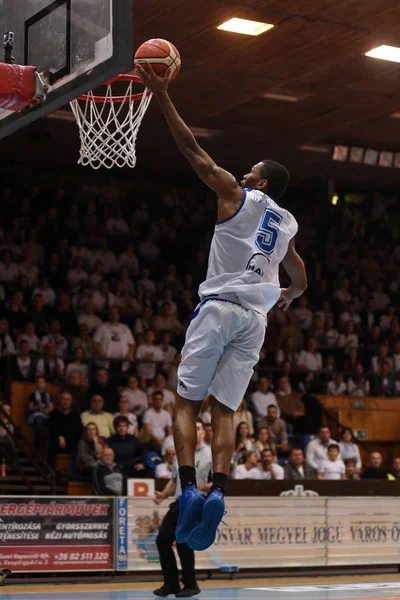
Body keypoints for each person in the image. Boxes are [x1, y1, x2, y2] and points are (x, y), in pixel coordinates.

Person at [137, 62, 307, 552]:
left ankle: (191, 487)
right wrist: (289, 296)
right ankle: (222, 492)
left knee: (187, 403)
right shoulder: (289, 223)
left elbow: (192, 151)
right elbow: (300, 275)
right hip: (255, 321)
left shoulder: (237, 194)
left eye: (253, 169)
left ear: (262, 183)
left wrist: (163, 94)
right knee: (226, 410)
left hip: (219, 307)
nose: (246, 169)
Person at [153, 420, 211, 597]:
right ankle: (171, 584)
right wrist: (163, 495)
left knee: (184, 543)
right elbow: (174, 480)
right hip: (179, 502)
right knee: (162, 540)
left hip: (197, 503)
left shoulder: (210, 454)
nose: (195, 431)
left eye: (199, 428)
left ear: (204, 433)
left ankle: (191, 584)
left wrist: (203, 486)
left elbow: (219, 482)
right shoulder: (181, 453)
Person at [47, 392, 83, 469]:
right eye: (63, 399)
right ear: (59, 400)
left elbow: (79, 430)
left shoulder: (76, 414)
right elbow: (51, 428)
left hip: (72, 441)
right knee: (52, 445)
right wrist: (59, 437)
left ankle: (73, 474)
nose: (65, 401)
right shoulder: (53, 414)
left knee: (79, 446)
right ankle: (51, 472)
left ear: (71, 401)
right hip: (58, 440)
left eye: (68, 399)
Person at [27, 376, 53, 448]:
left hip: (46, 414)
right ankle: (37, 446)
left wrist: (46, 410)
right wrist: (38, 407)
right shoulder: (33, 395)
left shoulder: (49, 395)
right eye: (38, 382)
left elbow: (51, 407)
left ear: (45, 384)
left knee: (54, 421)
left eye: (42, 382)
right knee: (38, 420)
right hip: (36, 414)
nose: (40, 384)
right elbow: (30, 407)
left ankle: (50, 445)